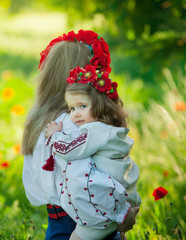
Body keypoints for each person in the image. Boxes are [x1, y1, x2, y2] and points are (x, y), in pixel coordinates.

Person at [22, 30, 138, 240]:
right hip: (89, 218)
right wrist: (122, 215)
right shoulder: (76, 125)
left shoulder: (37, 121)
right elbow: (91, 181)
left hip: (56, 220)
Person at [44, 80, 141, 240]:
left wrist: (55, 135)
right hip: (123, 200)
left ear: (101, 105)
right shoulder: (112, 130)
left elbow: (70, 149)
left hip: (103, 207)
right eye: (72, 109)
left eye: (82, 106)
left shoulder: (95, 130)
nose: (75, 113)